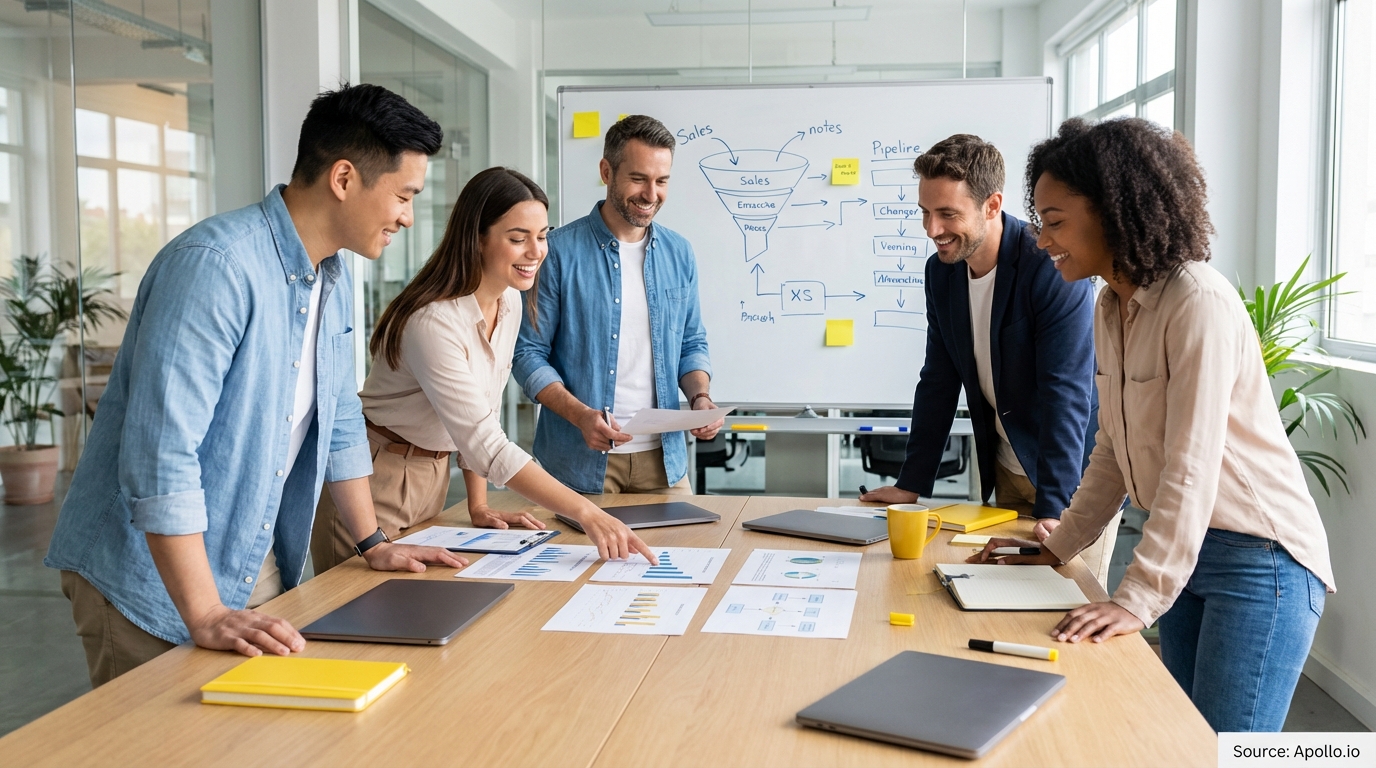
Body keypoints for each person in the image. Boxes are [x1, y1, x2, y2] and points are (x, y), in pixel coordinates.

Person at [44, 84, 466, 687]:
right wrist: (205, 610)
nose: (406, 215)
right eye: (403, 195)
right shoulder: (216, 266)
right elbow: (161, 453)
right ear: (344, 178)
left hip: (246, 555)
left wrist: (370, 540)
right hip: (150, 576)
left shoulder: (333, 274)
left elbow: (340, 413)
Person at [973, 117, 1335, 733]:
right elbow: (1112, 450)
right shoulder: (1110, 305)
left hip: (1259, 561)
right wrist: (1055, 545)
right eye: (1039, 221)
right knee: (1185, 739)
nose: (1040, 240)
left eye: (1055, 222)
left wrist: (1135, 597)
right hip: (1190, 554)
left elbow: (1190, 468)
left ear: (1113, 212)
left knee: (1227, 750)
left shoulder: (1197, 303)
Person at [311, 168, 657, 572]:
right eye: (517, 238)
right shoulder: (433, 322)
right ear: (477, 238)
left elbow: (483, 414)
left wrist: (478, 503)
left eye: (542, 236)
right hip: (374, 480)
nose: (536, 251)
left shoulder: (508, 302)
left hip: (432, 476)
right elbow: (485, 443)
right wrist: (589, 513)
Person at [859, 134, 1113, 584]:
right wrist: (910, 484)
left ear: (992, 205)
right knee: (1001, 597)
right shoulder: (942, 271)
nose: (931, 230)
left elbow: (1066, 393)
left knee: (1059, 604)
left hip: (1074, 478)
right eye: (925, 212)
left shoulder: (1050, 265)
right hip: (1006, 468)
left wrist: (1056, 512)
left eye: (947, 214)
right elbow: (938, 379)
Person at [513, 115, 723, 494]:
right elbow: (528, 353)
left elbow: (691, 343)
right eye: (639, 179)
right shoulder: (557, 251)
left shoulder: (680, 253)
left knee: (683, 554)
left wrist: (700, 398)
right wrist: (580, 416)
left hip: (665, 463)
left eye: (662, 181)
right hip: (578, 463)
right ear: (607, 171)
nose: (651, 194)